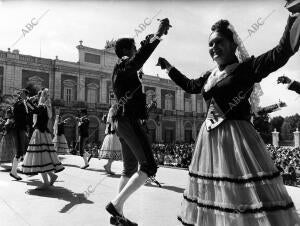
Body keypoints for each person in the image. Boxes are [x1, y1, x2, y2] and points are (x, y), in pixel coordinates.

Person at [157, 14, 300, 225]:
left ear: (234, 44)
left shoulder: (247, 69)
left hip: (237, 141)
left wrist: (294, 16)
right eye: (210, 44)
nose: (213, 47)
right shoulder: (209, 75)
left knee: (241, 195)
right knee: (216, 196)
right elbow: (190, 85)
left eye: (218, 42)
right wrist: (170, 68)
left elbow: (280, 53)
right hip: (209, 142)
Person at [105, 18, 171, 225]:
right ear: (126, 50)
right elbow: (138, 59)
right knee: (149, 166)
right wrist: (158, 35)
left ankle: (118, 213)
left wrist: (146, 108)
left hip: (122, 122)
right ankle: (116, 205)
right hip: (129, 120)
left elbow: (138, 57)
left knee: (129, 168)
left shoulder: (119, 68)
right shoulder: (125, 64)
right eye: (133, 46)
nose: (136, 49)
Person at [22, 88, 64, 188]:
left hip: (40, 133)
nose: (39, 97)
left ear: (42, 97)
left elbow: (34, 109)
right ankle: (51, 176)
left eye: (40, 95)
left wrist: (27, 99)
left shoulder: (42, 107)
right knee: (42, 157)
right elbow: (35, 111)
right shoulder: (47, 107)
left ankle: (47, 181)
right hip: (43, 132)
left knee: (39, 157)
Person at [10, 89, 31, 180]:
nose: (26, 96)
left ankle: (16, 170)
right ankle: (13, 171)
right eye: (25, 94)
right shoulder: (19, 103)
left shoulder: (22, 103)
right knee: (19, 151)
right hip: (18, 128)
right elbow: (21, 115)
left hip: (21, 128)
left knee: (22, 150)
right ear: (22, 95)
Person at [98, 108, 122, 174]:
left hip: (111, 136)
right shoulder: (114, 119)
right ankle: (108, 166)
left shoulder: (110, 120)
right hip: (114, 136)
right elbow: (116, 127)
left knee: (113, 153)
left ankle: (108, 166)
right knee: (115, 153)